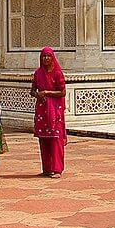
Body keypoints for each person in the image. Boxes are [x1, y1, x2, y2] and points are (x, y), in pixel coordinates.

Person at [32, 47, 67, 178]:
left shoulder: (57, 73)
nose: (46, 58)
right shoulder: (38, 73)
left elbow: (62, 92)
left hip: (55, 109)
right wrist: (38, 94)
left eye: (48, 56)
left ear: (52, 57)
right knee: (44, 139)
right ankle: (47, 168)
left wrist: (47, 92)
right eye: (44, 56)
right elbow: (32, 90)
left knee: (56, 138)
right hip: (42, 108)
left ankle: (57, 169)